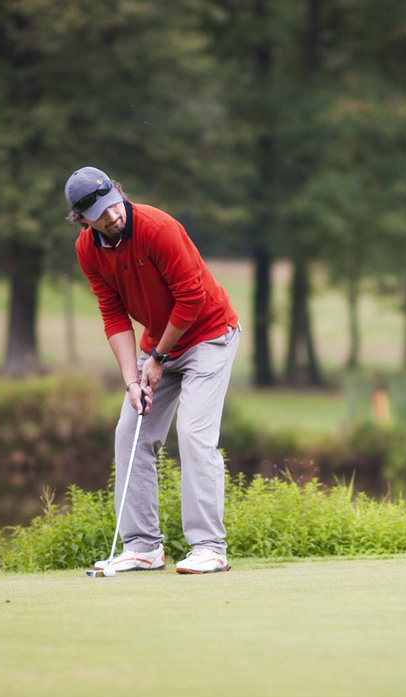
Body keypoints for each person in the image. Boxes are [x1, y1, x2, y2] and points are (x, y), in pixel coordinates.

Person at [64, 166, 240, 574]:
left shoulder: (157, 227)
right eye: (100, 214)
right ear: (82, 220)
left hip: (209, 335)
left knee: (193, 434)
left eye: (113, 205)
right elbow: (113, 314)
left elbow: (191, 297)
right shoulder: (87, 250)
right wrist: (132, 378)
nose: (113, 216)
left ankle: (210, 547)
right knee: (130, 432)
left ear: (117, 193)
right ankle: (143, 546)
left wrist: (158, 359)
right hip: (159, 345)